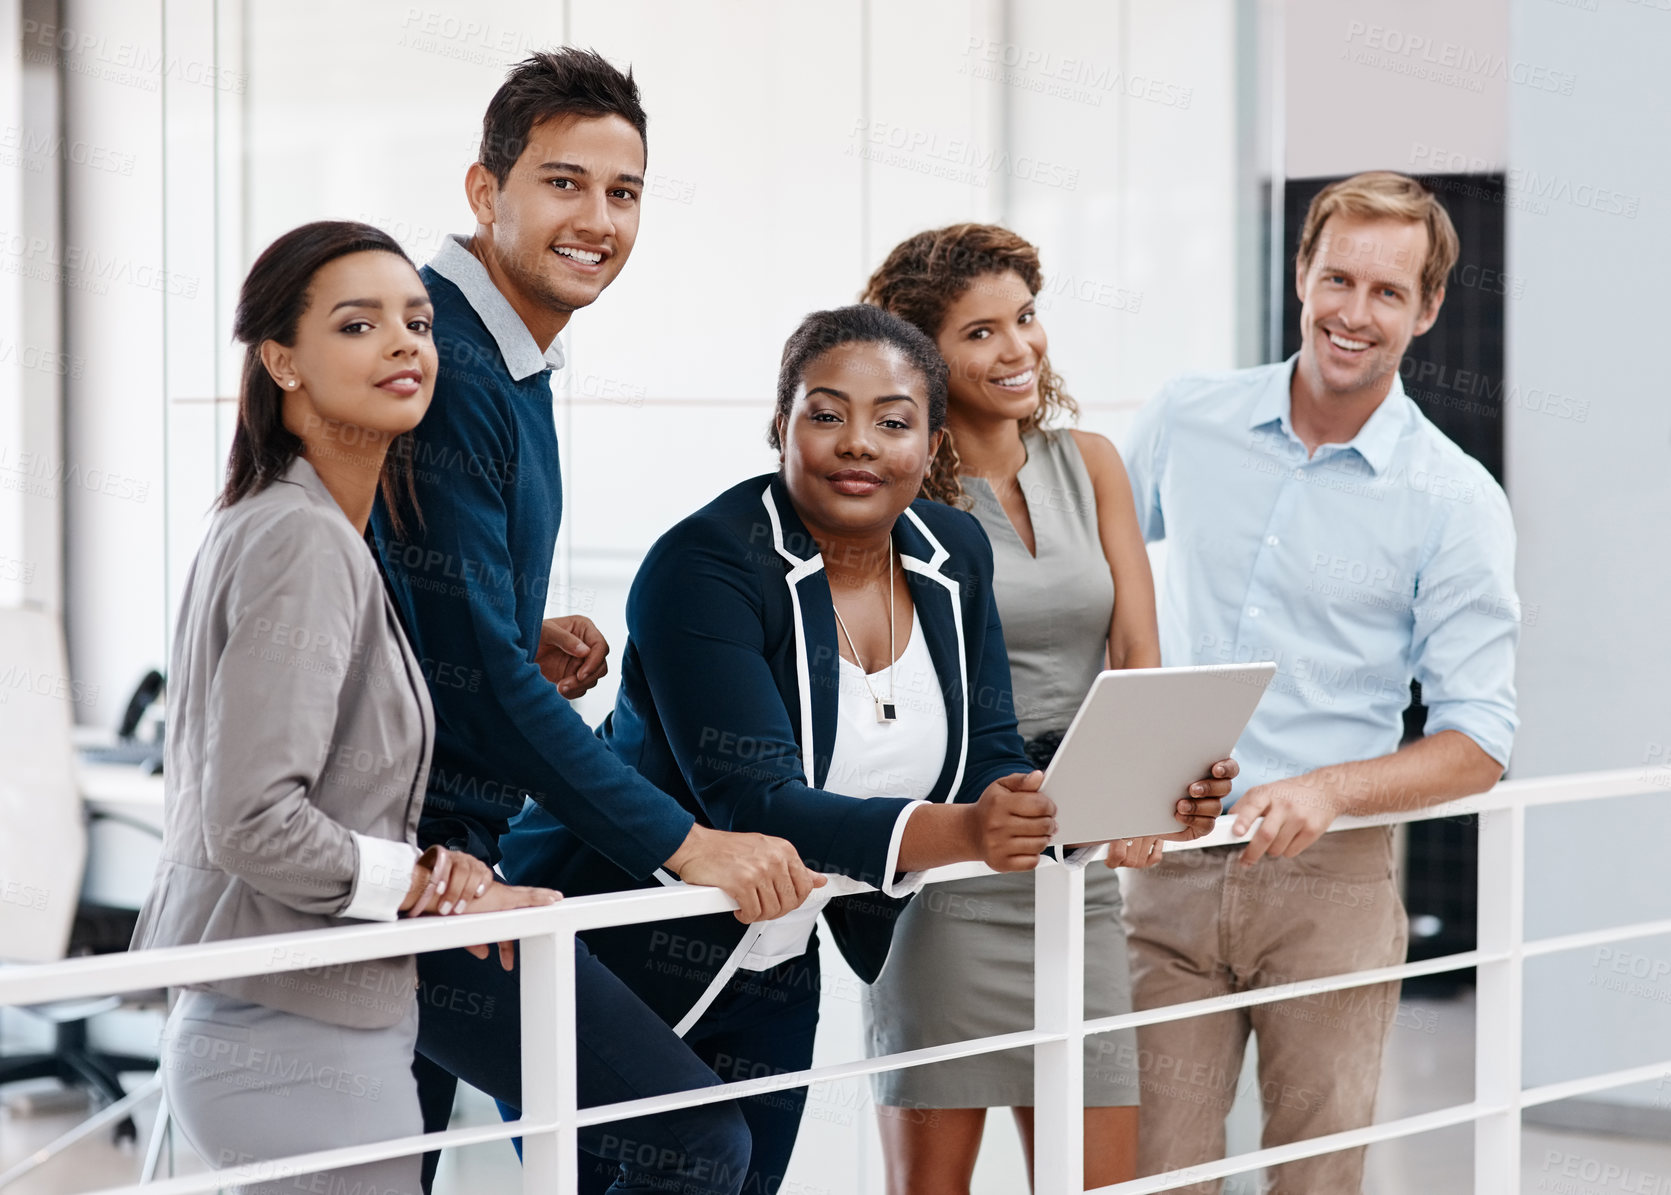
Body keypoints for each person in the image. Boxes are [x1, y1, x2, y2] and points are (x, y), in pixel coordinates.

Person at [497, 305, 1235, 1193]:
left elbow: (987, 755)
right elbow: (751, 801)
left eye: (892, 421)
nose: (859, 443)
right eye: (825, 413)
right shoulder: (703, 565)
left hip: (774, 952)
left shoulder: (951, 548)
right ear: (779, 427)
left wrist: (1114, 801)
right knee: (675, 1167)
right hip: (607, 942)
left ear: (930, 446)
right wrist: (967, 833)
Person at [366, 50, 818, 1194]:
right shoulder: (450, 360)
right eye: (565, 183)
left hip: (447, 852)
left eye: (624, 193)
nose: (600, 220)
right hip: (405, 863)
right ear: (486, 190)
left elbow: (439, 632)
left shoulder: (507, 355)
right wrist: (683, 843)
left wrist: (512, 638)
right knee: (694, 1140)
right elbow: (471, 682)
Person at [129, 221, 559, 1195]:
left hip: (311, 1020)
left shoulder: (309, 524)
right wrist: (438, 885)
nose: (408, 342)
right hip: (290, 1034)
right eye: (360, 325)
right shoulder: (301, 540)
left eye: (417, 320)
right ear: (280, 358)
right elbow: (253, 819)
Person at [1119, 171, 1520, 1193]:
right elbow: (1093, 584)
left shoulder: (1453, 502)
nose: (1353, 312)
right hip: (1166, 859)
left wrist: (1332, 789)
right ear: (1300, 273)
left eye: (1388, 292)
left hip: (1332, 883)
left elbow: (1480, 739)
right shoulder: (1187, 418)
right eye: (1337, 277)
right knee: (1151, 1173)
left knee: (1314, 1179)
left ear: (1428, 307)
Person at [858, 223, 1226, 1192]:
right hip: (954, 874)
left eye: (1025, 317)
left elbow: (1138, 653)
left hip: (1079, 870)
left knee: (1096, 1177)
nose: (1017, 347)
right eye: (981, 332)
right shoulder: (896, 497)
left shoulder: (1092, 460)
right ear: (923, 359)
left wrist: (1150, 792)